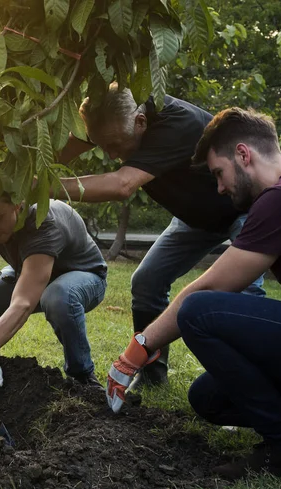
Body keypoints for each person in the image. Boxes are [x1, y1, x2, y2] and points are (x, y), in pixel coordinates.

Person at [106, 107, 281, 479]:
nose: (219, 188)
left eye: (219, 173)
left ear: (244, 155)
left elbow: (214, 286)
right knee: (209, 397)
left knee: (200, 311)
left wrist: (136, 350)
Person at [54, 83, 265, 386]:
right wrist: (21, 174)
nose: (113, 154)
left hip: (242, 208)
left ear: (141, 122)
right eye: (103, 146)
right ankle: (152, 372)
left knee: (245, 292)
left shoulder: (175, 122)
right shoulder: (115, 116)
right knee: (147, 281)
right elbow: (66, 149)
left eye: (115, 144)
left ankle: (249, 382)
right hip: (196, 218)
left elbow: (122, 184)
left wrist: (45, 187)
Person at [0, 178, 108, 391]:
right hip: (26, 271)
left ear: (18, 206)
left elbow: (23, 301)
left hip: (82, 275)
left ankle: (83, 378)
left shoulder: (44, 220)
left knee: (58, 296)